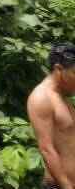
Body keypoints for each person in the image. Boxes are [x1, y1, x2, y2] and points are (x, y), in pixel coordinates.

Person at [28, 42, 75, 189]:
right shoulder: (41, 98)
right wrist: (67, 186)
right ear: (58, 69)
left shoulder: (62, 96)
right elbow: (47, 149)